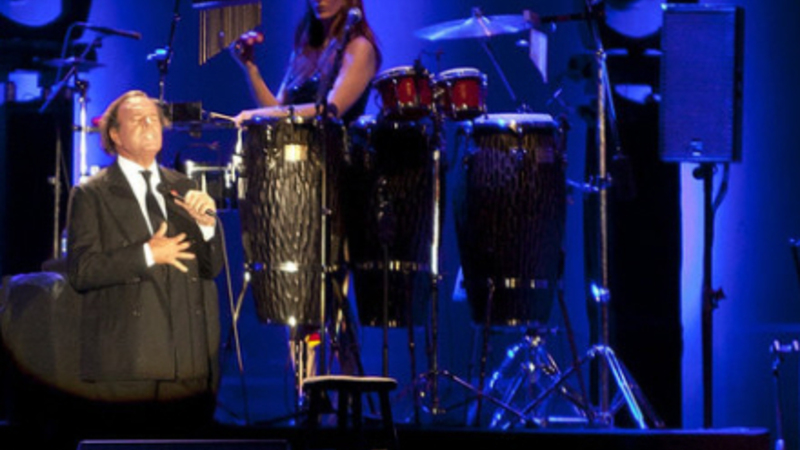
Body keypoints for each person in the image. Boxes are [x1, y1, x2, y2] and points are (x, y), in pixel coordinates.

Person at [63, 89, 224, 439]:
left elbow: (210, 269)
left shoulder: (182, 186)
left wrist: (207, 228)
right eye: (137, 119)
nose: (150, 124)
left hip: (186, 365)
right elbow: (82, 271)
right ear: (115, 135)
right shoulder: (91, 193)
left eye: (154, 118)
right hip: (128, 365)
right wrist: (147, 254)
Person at [231, 0, 382, 126]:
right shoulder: (305, 46)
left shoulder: (360, 47)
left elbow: (330, 110)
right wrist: (250, 66)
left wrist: (256, 115)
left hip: (337, 150)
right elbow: (277, 110)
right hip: (298, 150)